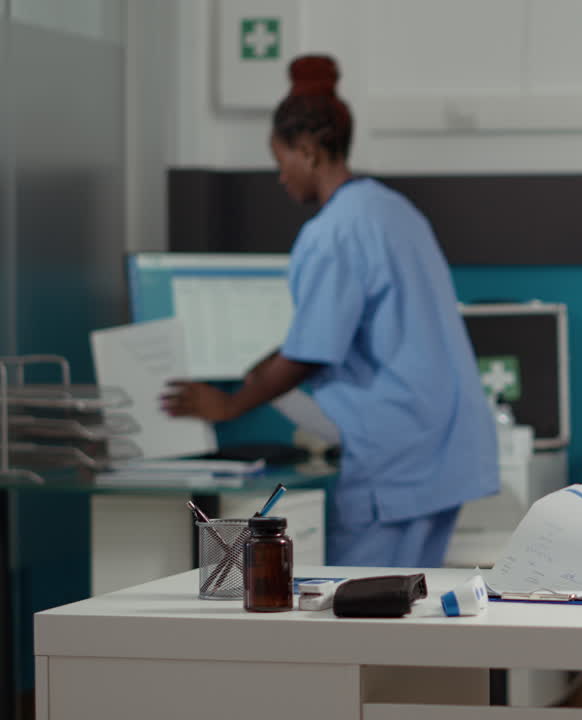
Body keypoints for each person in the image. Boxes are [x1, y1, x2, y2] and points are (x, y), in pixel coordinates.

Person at [164, 54, 498, 569]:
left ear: (309, 151)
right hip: (442, 446)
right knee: (406, 610)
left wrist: (229, 404)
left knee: (360, 614)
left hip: (396, 453)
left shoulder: (332, 232)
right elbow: (336, 330)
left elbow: (312, 354)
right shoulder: (393, 209)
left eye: (281, 162)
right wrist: (270, 362)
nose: (280, 178)